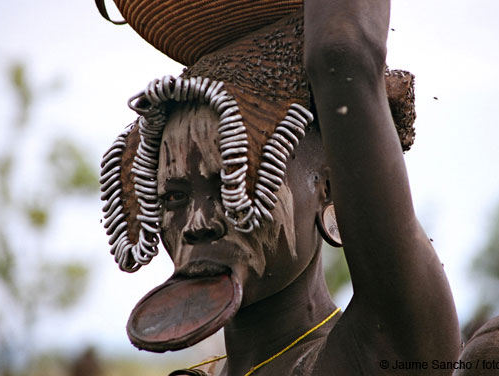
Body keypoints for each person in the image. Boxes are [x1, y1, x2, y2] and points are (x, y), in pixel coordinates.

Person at [97, 0, 461, 374]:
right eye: (174, 198)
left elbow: (343, 54)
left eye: (232, 183)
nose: (196, 223)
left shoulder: (375, 355)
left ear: (329, 190)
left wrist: (339, 61)